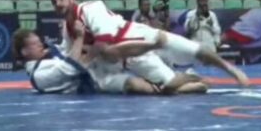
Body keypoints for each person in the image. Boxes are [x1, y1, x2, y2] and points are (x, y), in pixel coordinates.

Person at [50, 0, 250, 92]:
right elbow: (72, 61)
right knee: (169, 87)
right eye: (54, 2)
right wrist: (79, 43)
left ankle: (231, 69)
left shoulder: (90, 8)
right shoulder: (68, 31)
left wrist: (86, 55)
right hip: (130, 58)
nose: (58, 4)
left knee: (193, 49)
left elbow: (102, 46)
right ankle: (194, 79)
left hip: (138, 35)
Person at [12, 26, 175, 95]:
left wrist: (71, 35)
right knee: (132, 84)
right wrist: (80, 38)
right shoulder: (38, 76)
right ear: (24, 51)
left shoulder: (48, 56)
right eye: (35, 44)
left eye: (39, 41)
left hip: (95, 68)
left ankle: (155, 48)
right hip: (94, 81)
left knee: (113, 49)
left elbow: (65, 49)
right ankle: (168, 85)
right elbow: (71, 68)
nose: (41, 44)